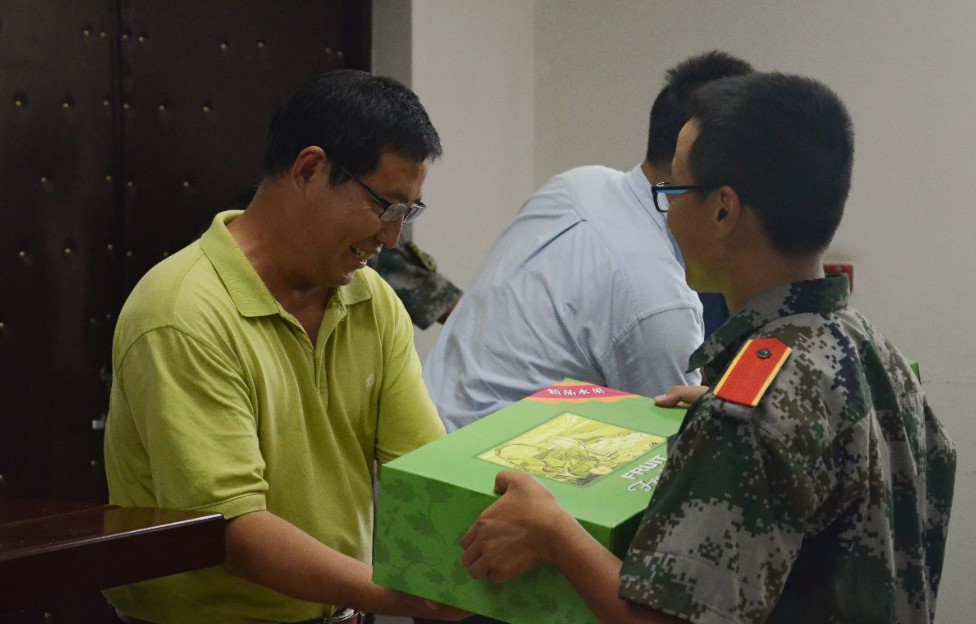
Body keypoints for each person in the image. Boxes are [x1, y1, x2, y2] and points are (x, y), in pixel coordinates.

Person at [459, 72, 957, 623]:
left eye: (674, 191)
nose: (667, 211)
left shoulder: (749, 414)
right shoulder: (874, 353)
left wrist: (552, 532)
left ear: (723, 210)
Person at [102, 70, 466, 624]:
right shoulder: (183, 313)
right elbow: (233, 531)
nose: (392, 237)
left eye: (407, 212)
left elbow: (423, 468)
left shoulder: (372, 301)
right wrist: (399, 596)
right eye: (385, 206)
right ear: (310, 170)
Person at [423, 51, 752, 432]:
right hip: (485, 462)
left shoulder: (575, 184)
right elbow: (674, 446)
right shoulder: (661, 302)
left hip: (422, 434)